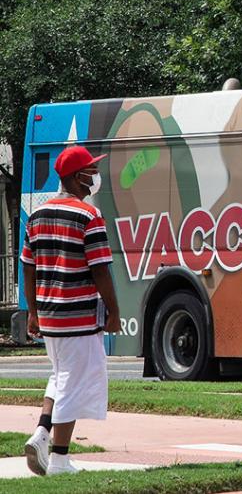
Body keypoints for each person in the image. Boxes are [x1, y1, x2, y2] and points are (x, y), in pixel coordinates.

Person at [21, 145, 121, 476]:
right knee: (75, 384)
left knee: (61, 376)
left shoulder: (36, 216)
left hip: (50, 315)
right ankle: (60, 459)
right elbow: (101, 270)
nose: (95, 176)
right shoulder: (89, 217)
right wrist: (114, 311)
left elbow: (28, 266)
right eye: (91, 171)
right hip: (78, 314)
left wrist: (33, 312)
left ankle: (41, 433)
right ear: (78, 178)